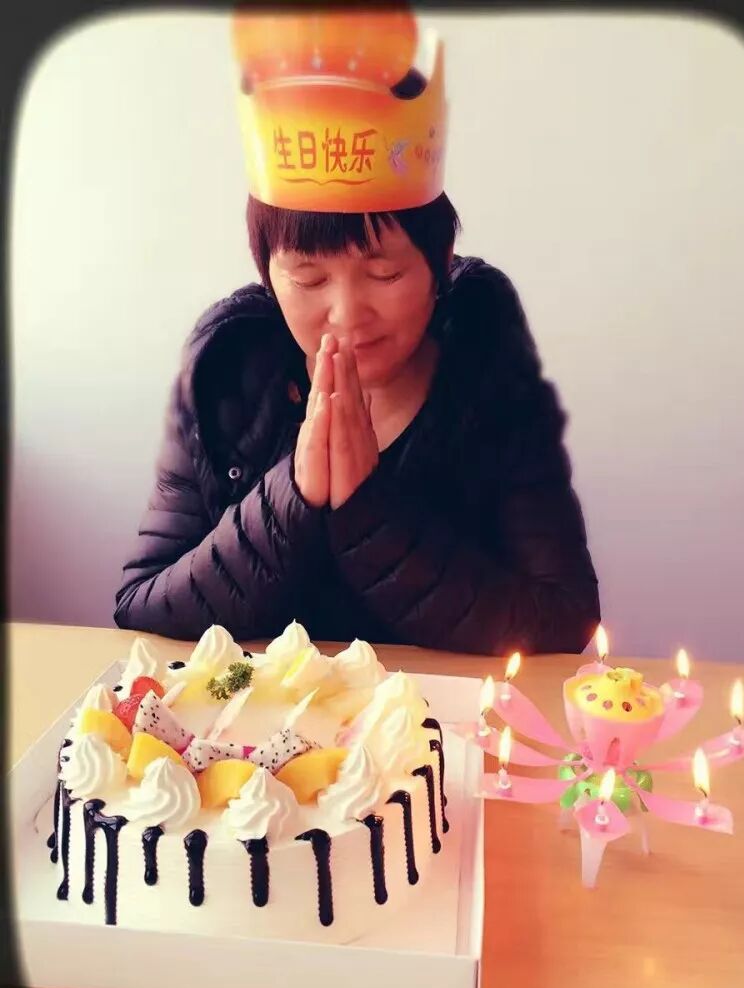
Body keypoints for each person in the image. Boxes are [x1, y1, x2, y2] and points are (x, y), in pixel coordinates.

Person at [114, 9, 600, 655]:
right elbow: (144, 605)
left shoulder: (488, 368)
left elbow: (565, 618)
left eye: (384, 272)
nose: (345, 315)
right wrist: (293, 496)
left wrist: (368, 511)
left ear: (440, 264)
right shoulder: (227, 367)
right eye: (308, 278)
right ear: (267, 276)